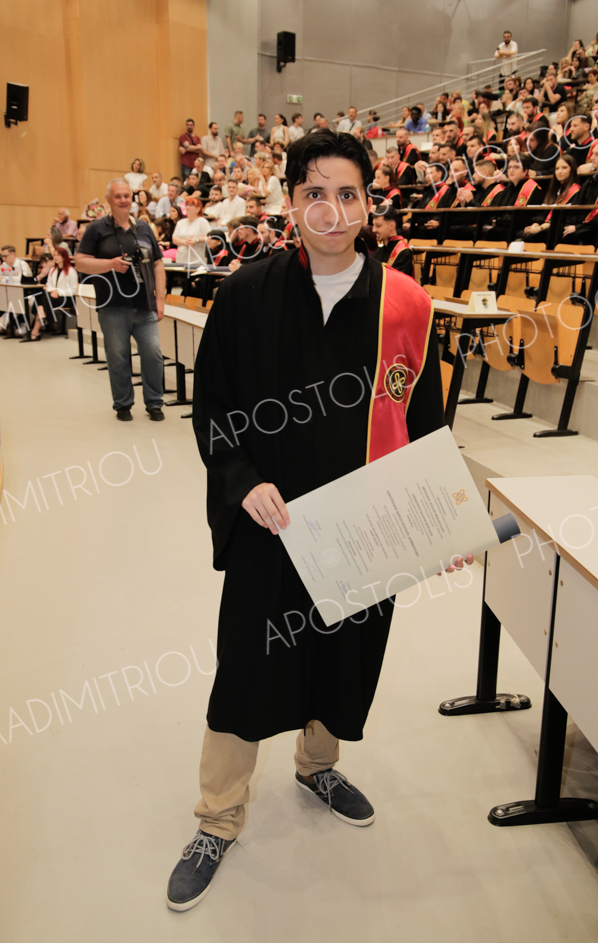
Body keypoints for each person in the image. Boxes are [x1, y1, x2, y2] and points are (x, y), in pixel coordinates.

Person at [165, 127, 472, 912]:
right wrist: (242, 482)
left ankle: (317, 765)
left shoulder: (405, 304)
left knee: (342, 658)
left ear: (369, 203)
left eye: (347, 194)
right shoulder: (246, 295)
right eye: (314, 194)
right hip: (273, 528)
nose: (331, 211)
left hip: (364, 528)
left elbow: (427, 422)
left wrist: (442, 516)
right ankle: (218, 815)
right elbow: (215, 407)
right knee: (246, 667)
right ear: (291, 202)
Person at [75, 178, 166, 422]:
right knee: (118, 357)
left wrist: (160, 300)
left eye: (127, 195)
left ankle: (154, 402)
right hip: (113, 306)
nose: (123, 200)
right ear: (108, 200)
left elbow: (158, 264)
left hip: (145, 305)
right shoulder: (96, 229)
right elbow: (80, 262)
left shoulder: (144, 228)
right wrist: (110, 264)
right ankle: (123, 404)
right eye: (118, 196)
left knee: (153, 355)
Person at [21, 246, 78, 342]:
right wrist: (52, 291)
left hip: (66, 298)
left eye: (58, 255)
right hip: (52, 296)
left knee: (42, 298)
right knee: (42, 295)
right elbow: (49, 285)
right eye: (54, 255)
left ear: (64, 257)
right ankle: (36, 329)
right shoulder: (53, 270)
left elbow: (73, 290)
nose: (55, 257)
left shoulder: (71, 271)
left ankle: (40, 320)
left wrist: (58, 292)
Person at [523, 155, 581, 238]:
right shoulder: (555, 190)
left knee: (531, 237)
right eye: (557, 169)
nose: (559, 171)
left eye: (564, 168)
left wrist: (541, 228)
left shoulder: (576, 191)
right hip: (546, 226)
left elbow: (566, 218)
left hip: (558, 228)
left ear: (572, 170)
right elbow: (543, 212)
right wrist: (536, 224)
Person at [371, 207, 413, 276]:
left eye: (378, 226)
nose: (374, 230)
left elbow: (399, 281)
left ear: (392, 226)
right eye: (373, 225)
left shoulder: (403, 252)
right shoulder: (377, 253)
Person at [172, 197, 212, 265]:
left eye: (191, 205)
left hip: (197, 260)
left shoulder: (202, 221)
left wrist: (197, 240)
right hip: (181, 259)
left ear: (198, 209)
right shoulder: (180, 222)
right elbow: (174, 239)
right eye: (187, 205)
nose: (188, 207)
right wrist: (185, 242)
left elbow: (209, 236)